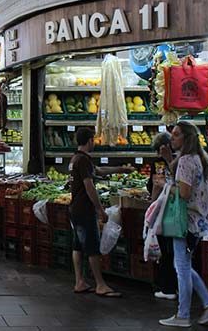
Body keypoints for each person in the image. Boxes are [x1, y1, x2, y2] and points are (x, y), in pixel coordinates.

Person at [156, 121, 208, 327]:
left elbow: (183, 193)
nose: (171, 138)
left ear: (186, 138)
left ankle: (183, 315)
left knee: (182, 268)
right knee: (182, 265)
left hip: (185, 221)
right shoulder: (197, 158)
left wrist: (164, 186)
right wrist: (169, 161)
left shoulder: (185, 161)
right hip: (198, 220)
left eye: (175, 135)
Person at [70, 127, 134, 298]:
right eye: (94, 140)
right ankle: (100, 284)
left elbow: (98, 171)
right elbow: (89, 186)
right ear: (90, 140)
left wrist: (121, 169)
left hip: (75, 208)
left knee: (78, 246)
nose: (95, 143)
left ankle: (79, 281)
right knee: (92, 247)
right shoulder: (83, 161)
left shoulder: (77, 158)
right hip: (84, 209)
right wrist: (100, 209)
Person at [148, 131, 178, 301]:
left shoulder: (161, 163)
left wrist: (152, 203)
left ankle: (168, 287)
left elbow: (157, 185)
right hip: (176, 210)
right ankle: (177, 287)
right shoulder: (180, 158)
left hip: (166, 210)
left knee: (167, 251)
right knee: (175, 251)